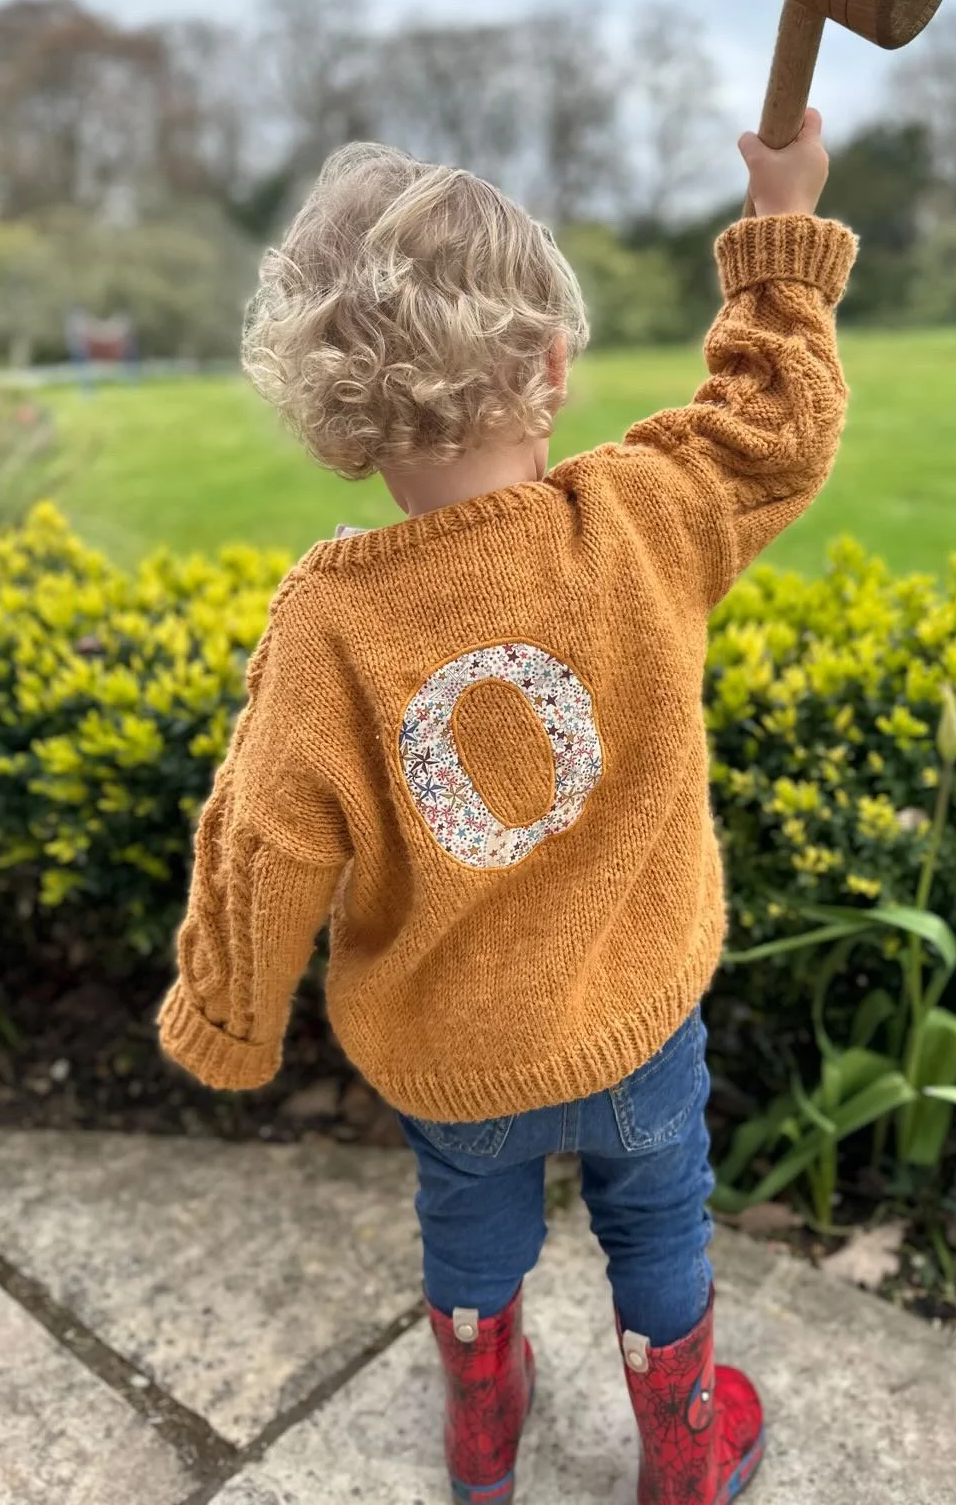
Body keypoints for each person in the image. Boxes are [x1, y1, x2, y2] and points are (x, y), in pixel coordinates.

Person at [156, 109, 855, 1503]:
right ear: (549, 366)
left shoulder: (326, 626)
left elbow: (261, 840)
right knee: (661, 1227)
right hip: (638, 1018)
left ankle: (482, 1438)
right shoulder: (643, 516)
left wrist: (228, 1018)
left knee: (468, 1237)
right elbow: (773, 423)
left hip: (450, 1055)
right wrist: (779, 223)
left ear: (332, 412)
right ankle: (683, 1450)